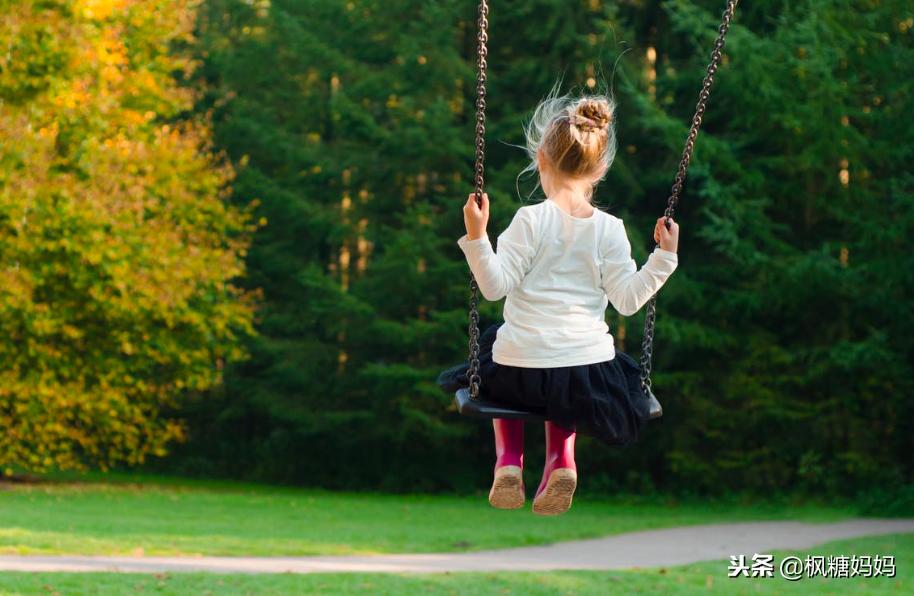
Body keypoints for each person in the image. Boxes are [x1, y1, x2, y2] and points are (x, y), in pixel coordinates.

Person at [437, 91, 680, 516]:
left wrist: (477, 236)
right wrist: (664, 258)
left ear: (541, 161)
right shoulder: (610, 229)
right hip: (586, 373)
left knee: (498, 351)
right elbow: (627, 301)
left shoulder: (529, 220)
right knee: (568, 377)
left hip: (520, 370)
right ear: (600, 169)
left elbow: (493, 287)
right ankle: (562, 461)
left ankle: (509, 461)